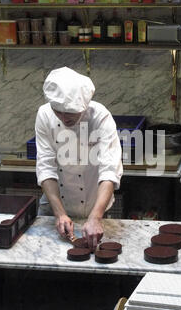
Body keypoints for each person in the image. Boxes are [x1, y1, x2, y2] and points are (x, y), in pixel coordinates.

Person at [35, 67, 123, 250]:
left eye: (71, 112)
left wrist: (95, 217)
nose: (64, 117)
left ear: (84, 104)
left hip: (95, 206)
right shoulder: (44, 115)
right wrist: (59, 214)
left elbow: (109, 170)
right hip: (55, 207)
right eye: (58, 111)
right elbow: (46, 167)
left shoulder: (100, 117)